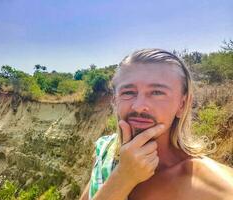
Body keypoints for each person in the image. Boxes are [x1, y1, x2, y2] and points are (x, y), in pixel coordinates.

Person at [79, 49, 233, 200]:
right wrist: (122, 178)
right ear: (115, 99)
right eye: (128, 92)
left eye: (157, 92)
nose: (138, 106)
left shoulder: (213, 187)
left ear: (182, 104)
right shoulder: (107, 150)